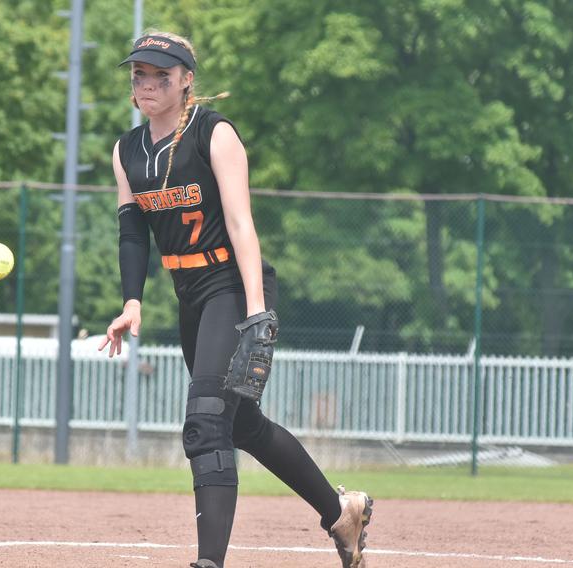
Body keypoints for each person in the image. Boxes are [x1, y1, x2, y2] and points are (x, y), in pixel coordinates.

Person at [98, 30, 373, 568]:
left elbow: (242, 225)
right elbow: (133, 233)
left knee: (204, 420)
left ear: (186, 80)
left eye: (161, 74)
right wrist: (133, 302)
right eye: (140, 73)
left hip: (230, 284)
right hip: (189, 296)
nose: (148, 82)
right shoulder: (127, 151)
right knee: (240, 423)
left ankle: (209, 563)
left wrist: (256, 310)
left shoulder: (212, 133)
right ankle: (342, 512)